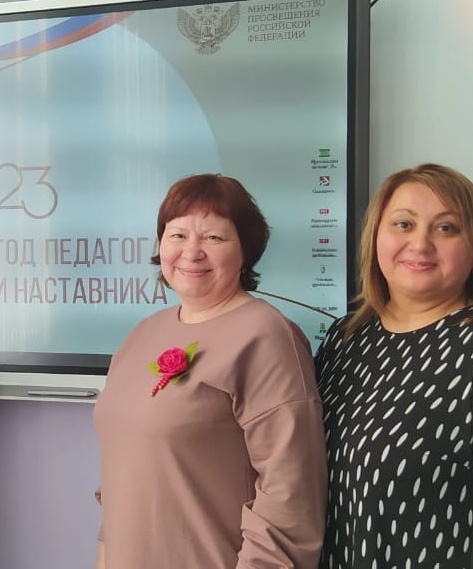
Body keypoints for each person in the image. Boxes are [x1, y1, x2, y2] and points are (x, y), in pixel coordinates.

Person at [315, 163, 473, 567]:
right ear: (375, 238)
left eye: (446, 228)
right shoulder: (344, 339)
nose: (420, 244)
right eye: (403, 224)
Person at [93, 174, 327, 568]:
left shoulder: (266, 336)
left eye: (214, 237)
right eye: (177, 235)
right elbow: (120, 483)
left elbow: (290, 494)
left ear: (245, 250)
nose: (192, 252)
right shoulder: (143, 333)